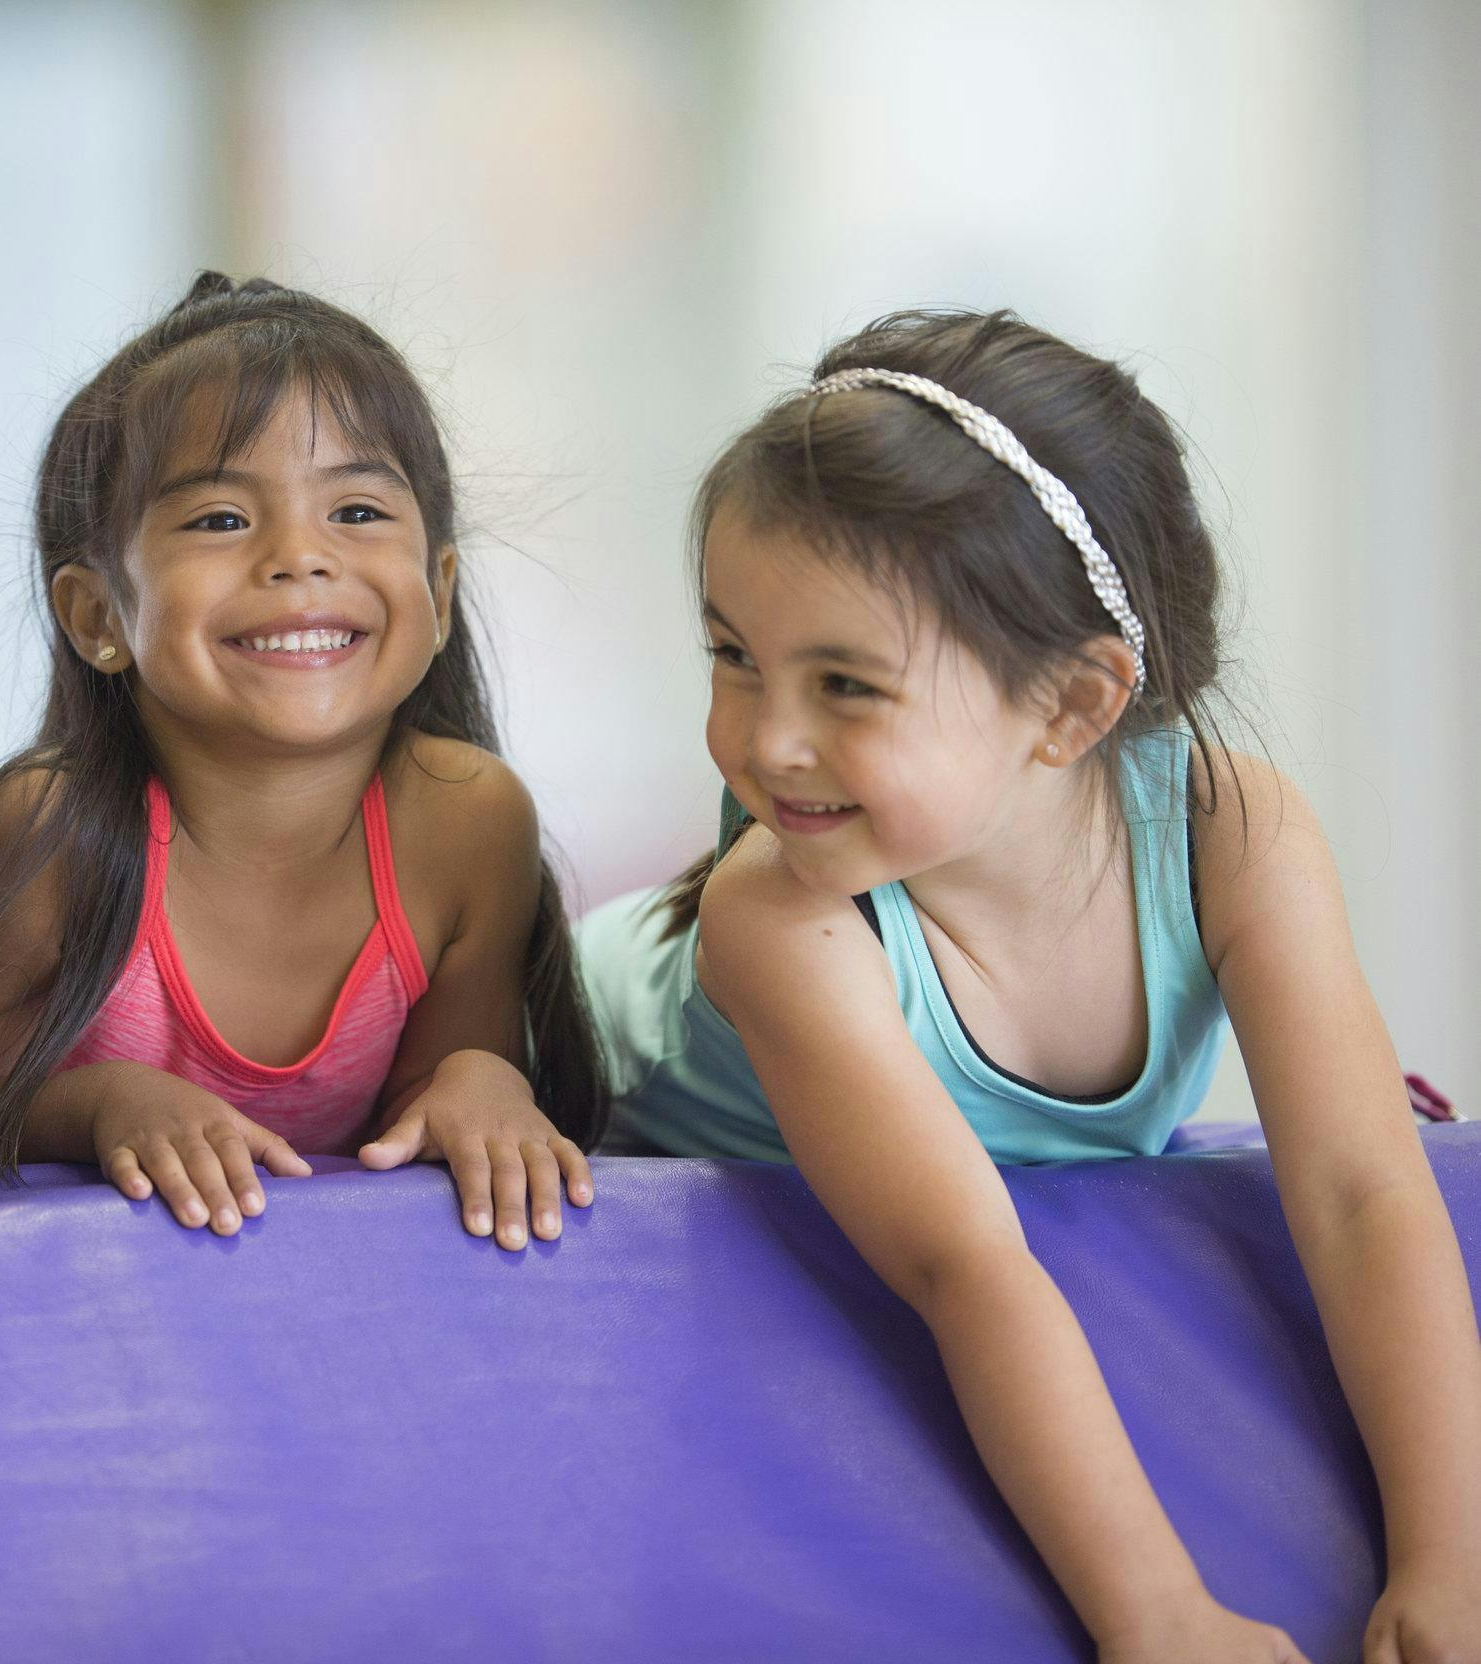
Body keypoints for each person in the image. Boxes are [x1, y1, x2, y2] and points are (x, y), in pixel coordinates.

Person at [579, 310, 1481, 1661]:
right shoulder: (782, 918)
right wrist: (1160, 1616)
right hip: (593, 1060)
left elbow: (1360, 1194)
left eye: (846, 684)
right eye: (734, 655)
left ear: (1072, 707)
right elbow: (964, 1264)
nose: (762, 740)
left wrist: (1450, 1562)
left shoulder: (1239, 835)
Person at [0, 273, 604, 1252]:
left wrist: (482, 1081)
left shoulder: (467, 820)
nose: (299, 557)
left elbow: (439, 1090)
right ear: (97, 616)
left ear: (441, 589)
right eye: (218, 518)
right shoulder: (51, 829)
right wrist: (103, 1102)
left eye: (358, 512)